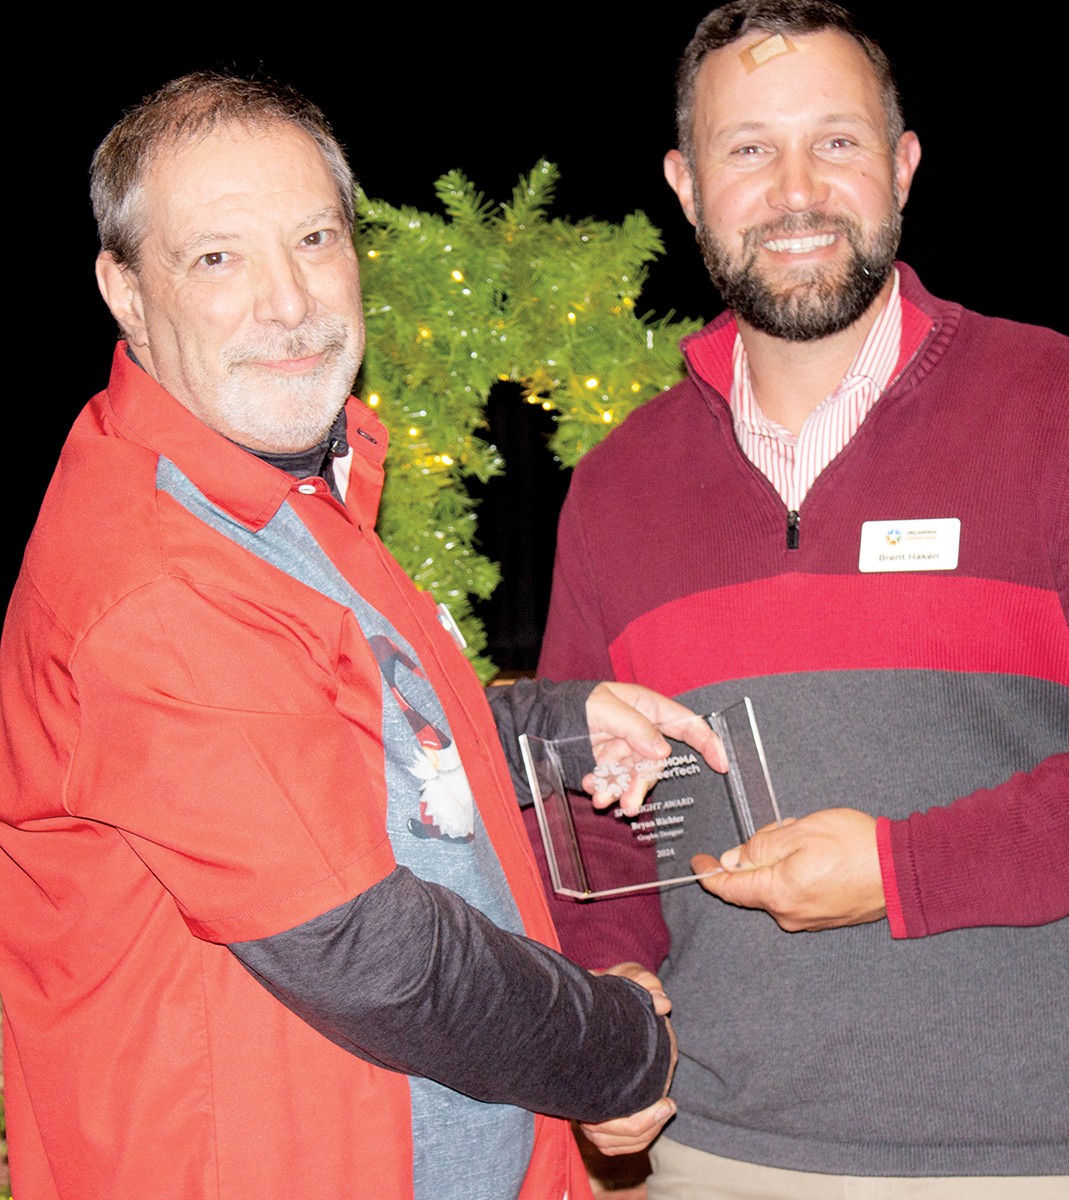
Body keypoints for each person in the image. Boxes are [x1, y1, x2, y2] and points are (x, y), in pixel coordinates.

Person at [0, 72, 728, 1200]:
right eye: (217, 259)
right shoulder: (156, 574)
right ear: (126, 292)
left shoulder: (281, 488)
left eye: (314, 238)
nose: (289, 303)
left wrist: (550, 728)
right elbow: (363, 954)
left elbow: (335, 748)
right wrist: (617, 1044)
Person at [533, 3, 1069, 1197]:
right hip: (720, 1150)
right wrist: (616, 994)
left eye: (836, 142)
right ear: (686, 187)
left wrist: (907, 868)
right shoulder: (615, 488)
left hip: (1063, 1159)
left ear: (901, 166)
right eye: (748, 150)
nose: (796, 190)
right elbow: (590, 807)